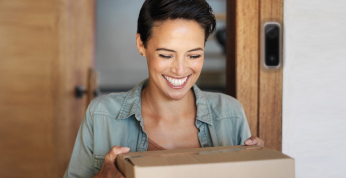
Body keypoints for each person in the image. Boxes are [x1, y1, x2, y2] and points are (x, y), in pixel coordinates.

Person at [64, 0, 264, 177]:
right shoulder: (101, 115)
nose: (180, 69)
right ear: (141, 44)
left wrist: (260, 168)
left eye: (194, 55)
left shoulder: (231, 113)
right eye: (166, 55)